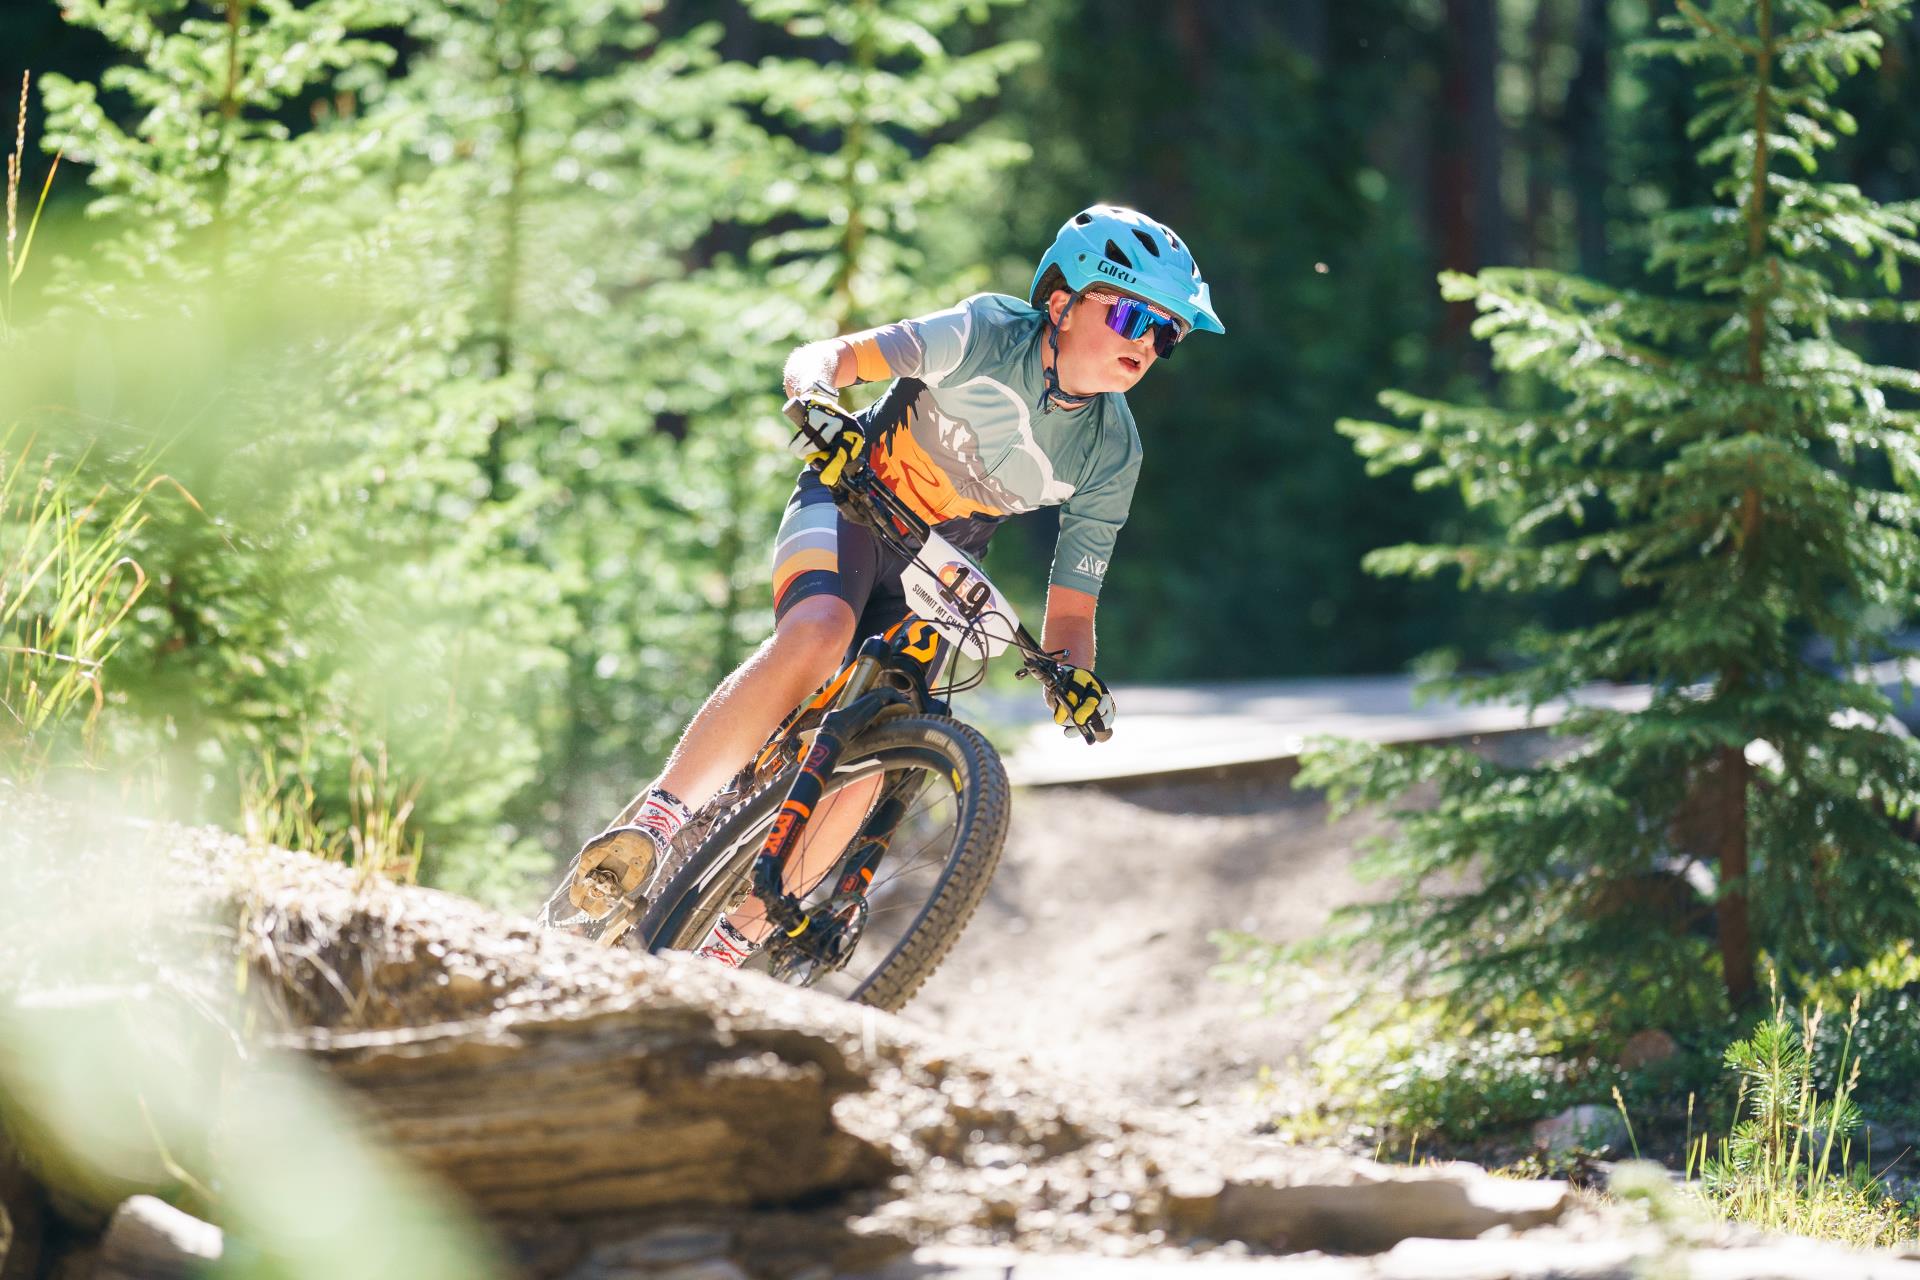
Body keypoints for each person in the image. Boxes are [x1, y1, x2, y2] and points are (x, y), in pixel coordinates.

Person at [568, 204, 1224, 965]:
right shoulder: (985, 332)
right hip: (851, 500)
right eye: (1134, 314)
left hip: (938, 569)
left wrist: (1073, 678)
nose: (1148, 343)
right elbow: (828, 358)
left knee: (880, 748)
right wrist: (817, 404)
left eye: (1167, 332)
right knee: (817, 636)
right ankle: (653, 824)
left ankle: (726, 948)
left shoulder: (1114, 452)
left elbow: (1072, 611)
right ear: (1063, 302)